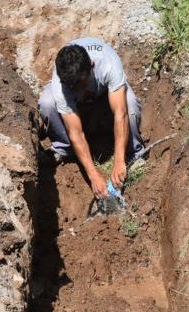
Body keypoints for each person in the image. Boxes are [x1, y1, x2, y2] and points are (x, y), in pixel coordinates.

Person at [38, 37, 144, 199]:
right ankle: (64, 148)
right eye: (74, 88)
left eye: (83, 84)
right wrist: (93, 175)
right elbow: (76, 133)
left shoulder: (108, 64)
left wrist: (118, 159)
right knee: (46, 103)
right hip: (74, 106)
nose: (80, 92)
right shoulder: (62, 84)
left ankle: (133, 154)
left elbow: (120, 114)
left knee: (130, 104)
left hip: (104, 96)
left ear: (92, 66)